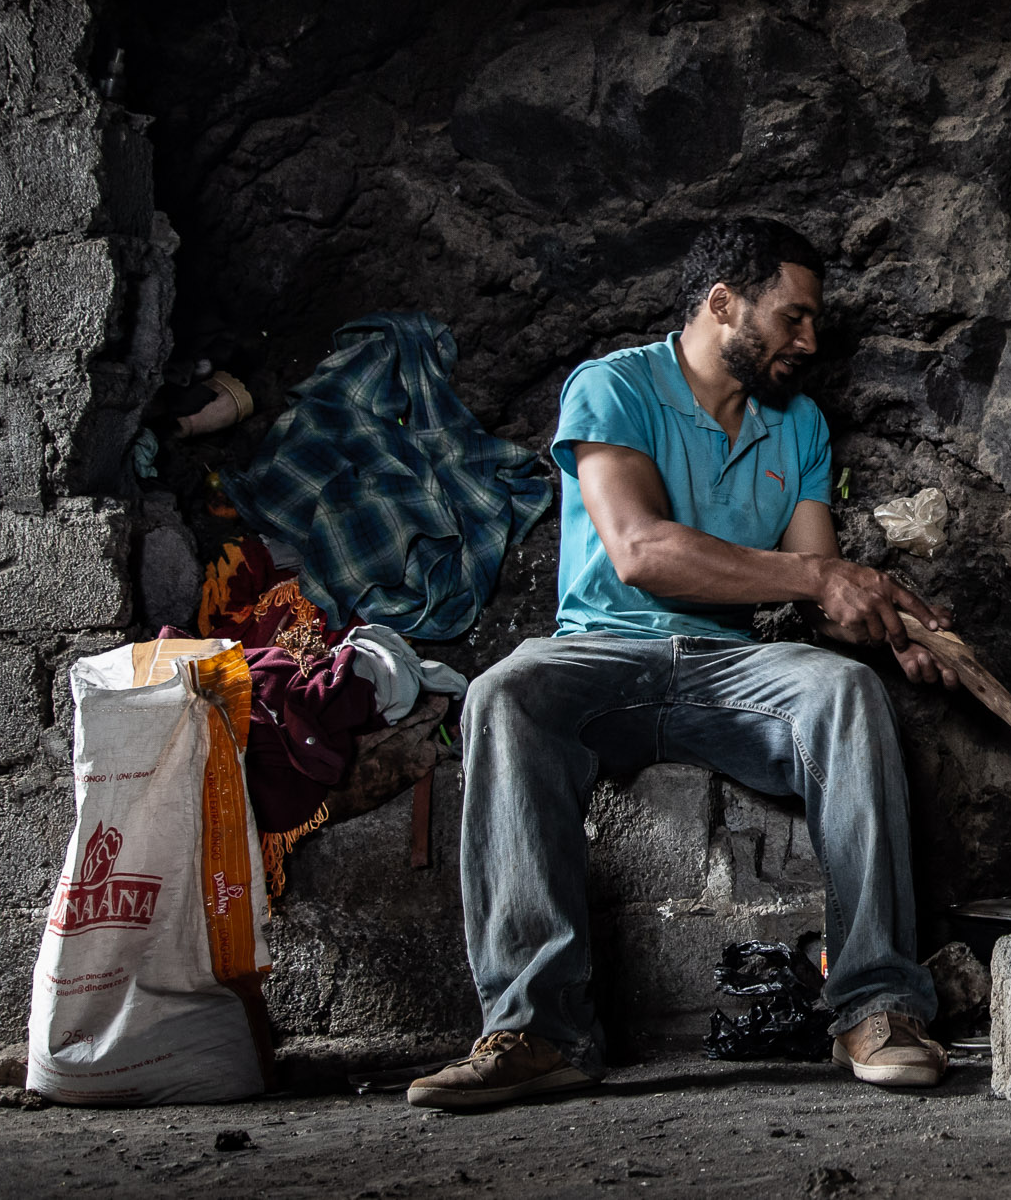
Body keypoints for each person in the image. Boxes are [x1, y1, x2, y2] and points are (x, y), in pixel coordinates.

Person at [409, 217, 958, 1109]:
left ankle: (877, 1005)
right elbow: (639, 550)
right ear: (723, 303)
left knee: (847, 689)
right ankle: (538, 1030)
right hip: (602, 655)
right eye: (793, 317)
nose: (809, 340)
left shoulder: (800, 425)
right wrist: (820, 576)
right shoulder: (613, 386)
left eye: (813, 322)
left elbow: (817, 580)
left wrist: (892, 628)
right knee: (506, 691)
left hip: (731, 666)